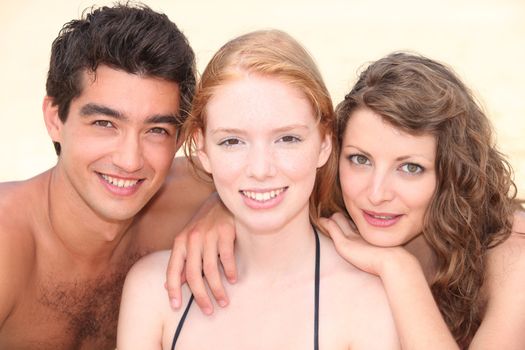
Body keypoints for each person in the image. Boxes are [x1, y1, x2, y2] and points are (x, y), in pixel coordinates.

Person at [171, 52, 525, 349]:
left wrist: (399, 270)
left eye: (411, 168)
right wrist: (219, 208)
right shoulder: (328, 207)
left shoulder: (512, 259)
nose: (376, 193)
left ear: (454, 173)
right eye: (360, 159)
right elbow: (230, 169)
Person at [117, 29, 400, 349]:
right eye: (232, 141)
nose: (261, 169)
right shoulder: (154, 290)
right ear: (202, 148)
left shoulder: (368, 299)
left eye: (287, 139)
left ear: (324, 143)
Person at [0, 4, 217, 349]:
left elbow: (307, 173)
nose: (130, 160)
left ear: (179, 137)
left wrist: (226, 210)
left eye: (156, 130)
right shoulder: (7, 243)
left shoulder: (203, 196)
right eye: (104, 124)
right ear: (56, 119)